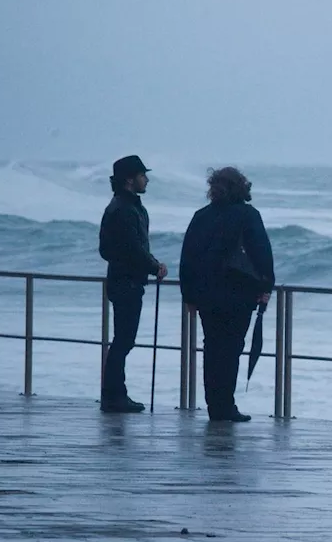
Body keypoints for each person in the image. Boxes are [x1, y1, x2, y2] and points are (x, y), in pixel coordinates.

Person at [179, 167, 275, 422]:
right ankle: (226, 406)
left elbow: (187, 257)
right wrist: (266, 286)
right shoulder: (248, 215)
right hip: (239, 294)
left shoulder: (201, 216)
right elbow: (261, 254)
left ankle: (215, 406)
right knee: (231, 350)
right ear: (241, 187)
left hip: (207, 295)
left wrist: (188, 295)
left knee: (212, 349)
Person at [98, 154, 168, 413]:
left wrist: (148, 264)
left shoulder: (120, 206)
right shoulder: (125, 209)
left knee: (123, 340)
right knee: (124, 341)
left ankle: (115, 394)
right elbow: (132, 248)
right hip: (127, 282)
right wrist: (154, 266)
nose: (146, 179)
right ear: (130, 179)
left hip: (122, 280)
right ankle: (114, 396)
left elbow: (108, 249)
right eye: (142, 175)